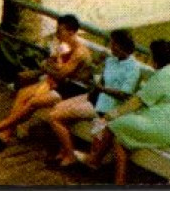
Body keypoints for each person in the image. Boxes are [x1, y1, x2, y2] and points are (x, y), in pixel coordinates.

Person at [78, 38, 170, 185]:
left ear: (158, 57)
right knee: (120, 139)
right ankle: (119, 181)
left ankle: (94, 159)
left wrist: (113, 114)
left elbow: (137, 101)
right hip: (169, 128)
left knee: (115, 124)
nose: (150, 59)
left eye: (151, 56)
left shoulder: (165, 75)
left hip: (160, 127)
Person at [0, 14, 91, 150]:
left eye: (60, 31)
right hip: (61, 84)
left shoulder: (79, 53)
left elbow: (59, 73)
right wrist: (51, 64)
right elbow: (49, 64)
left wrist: (53, 63)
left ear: (71, 32)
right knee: (23, 93)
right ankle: (4, 136)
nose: (57, 34)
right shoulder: (65, 46)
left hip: (73, 90)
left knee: (32, 100)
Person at [50, 28, 143, 167]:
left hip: (107, 107)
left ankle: (70, 155)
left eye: (112, 43)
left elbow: (125, 94)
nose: (110, 46)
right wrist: (98, 72)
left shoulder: (133, 68)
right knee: (58, 107)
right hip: (95, 98)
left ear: (119, 46)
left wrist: (102, 89)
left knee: (55, 116)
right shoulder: (111, 60)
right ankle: (65, 151)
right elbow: (101, 79)